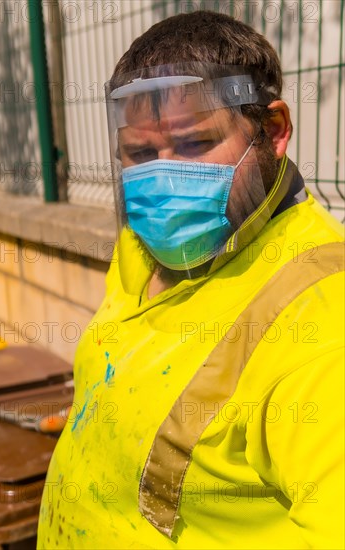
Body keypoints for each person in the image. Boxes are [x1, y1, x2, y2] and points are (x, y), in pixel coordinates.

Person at [37, 10, 344, 549]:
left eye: (196, 145)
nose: (163, 177)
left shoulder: (321, 321)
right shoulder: (147, 244)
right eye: (138, 155)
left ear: (272, 132)